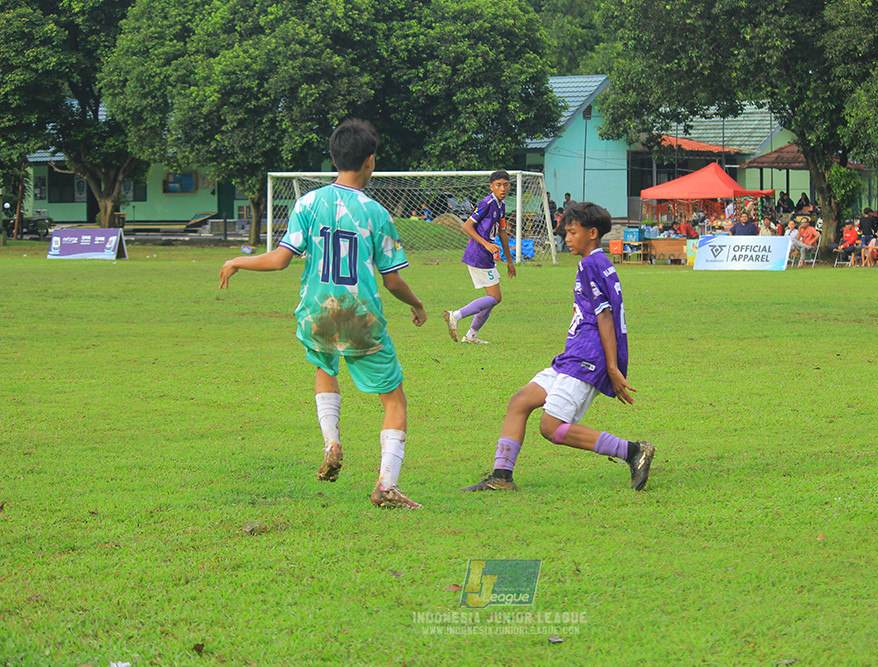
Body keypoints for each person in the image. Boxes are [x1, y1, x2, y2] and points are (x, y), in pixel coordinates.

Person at [218, 119, 427, 509]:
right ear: (369, 161)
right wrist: (416, 305)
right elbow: (393, 282)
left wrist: (238, 262)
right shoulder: (377, 213)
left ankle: (332, 442)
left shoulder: (308, 203)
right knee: (394, 400)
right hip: (360, 315)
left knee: (324, 367)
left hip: (316, 313)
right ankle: (386, 485)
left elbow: (281, 260)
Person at [460, 202, 655, 493]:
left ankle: (633, 451)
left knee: (551, 428)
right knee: (520, 402)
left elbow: (604, 316)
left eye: (572, 232)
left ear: (592, 233)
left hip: (587, 358)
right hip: (573, 355)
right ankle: (501, 476)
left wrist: (612, 368)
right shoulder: (600, 263)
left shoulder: (591, 264)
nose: (567, 238)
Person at [443, 170, 517, 344]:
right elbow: (467, 226)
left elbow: (503, 232)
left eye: (505, 184)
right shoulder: (487, 203)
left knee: (492, 300)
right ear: (491, 187)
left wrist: (510, 261)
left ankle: (471, 336)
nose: (502, 188)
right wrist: (486, 244)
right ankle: (455, 315)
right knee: (495, 298)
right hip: (479, 254)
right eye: (498, 185)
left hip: (486, 256)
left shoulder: (501, 205)